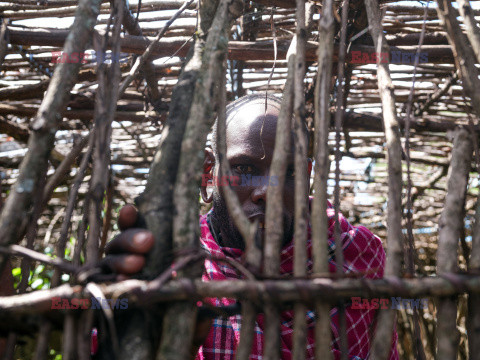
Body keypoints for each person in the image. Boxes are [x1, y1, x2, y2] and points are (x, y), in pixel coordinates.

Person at [106, 94, 398, 360]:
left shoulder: (358, 258)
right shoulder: (169, 267)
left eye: (287, 171)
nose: (266, 191)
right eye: (244, 169)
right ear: (209, 173)